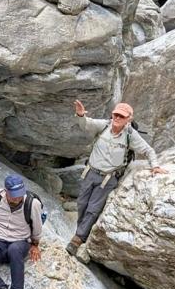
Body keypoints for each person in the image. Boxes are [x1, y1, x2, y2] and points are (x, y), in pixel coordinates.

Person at [68, 99, 164, 257]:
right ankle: (81, 232)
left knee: (93, 209)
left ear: (129, 119)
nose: (117, 118)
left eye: (122, 116)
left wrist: (155, 166)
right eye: (116, 114)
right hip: (90, 173)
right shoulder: (104, 125)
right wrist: (80, 114)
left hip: (108, 178)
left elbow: (148, 151)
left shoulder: (131, 135)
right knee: (81, 204)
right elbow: (86, 124)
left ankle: (77, 239)